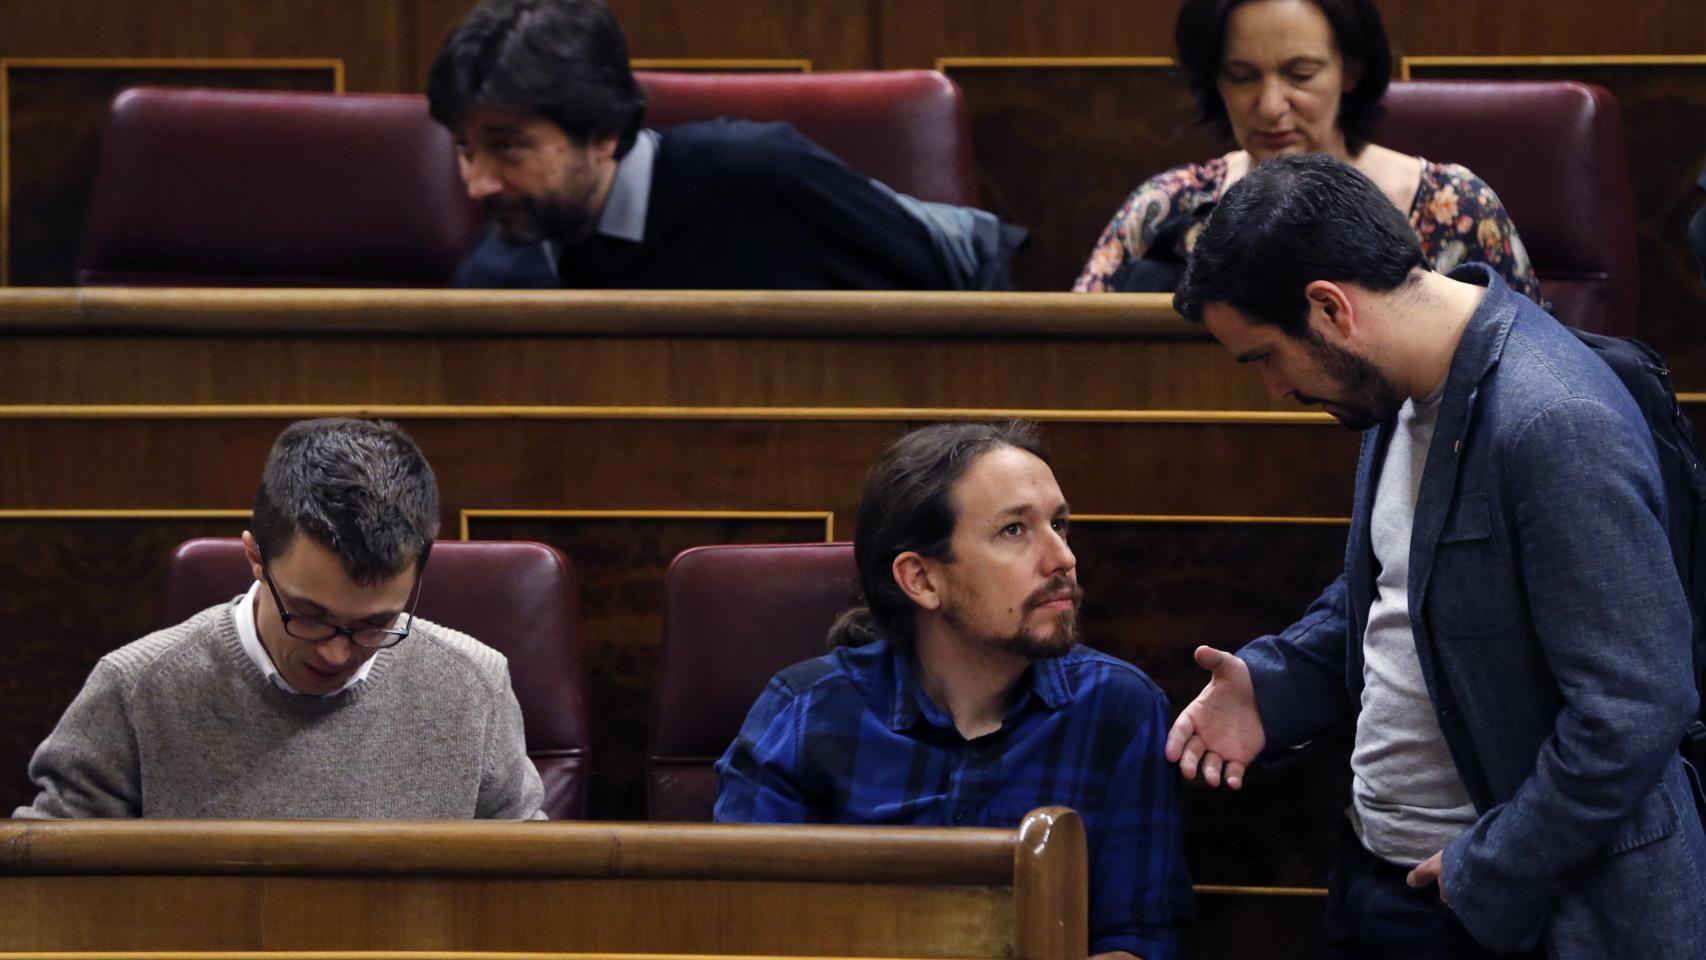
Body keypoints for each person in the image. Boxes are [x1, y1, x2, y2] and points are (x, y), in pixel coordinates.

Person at [1167, 153, 1706, 958]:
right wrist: (1273, 685)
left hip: (1521, 909)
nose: (1274, 389)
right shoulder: (1398, 389)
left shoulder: (1554, 420)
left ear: (1329, 308)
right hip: (1379, 872)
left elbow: (1634, 710)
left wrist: (1488, 869)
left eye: (1264, 357)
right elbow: (1403, 587)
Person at [714, 421, 1189, 960]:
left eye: (1060, 525)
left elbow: (1136, 939)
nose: (1062, 559)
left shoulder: (1120, 707)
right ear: (921, 580)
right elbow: (741, 929)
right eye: (1014, 531)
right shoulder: (803, 714)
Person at [12, 418, 544, 820]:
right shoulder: (134, 690)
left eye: (374, 625)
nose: (336, 652)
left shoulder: (476, 686)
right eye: (309, 616)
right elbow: (57, 894)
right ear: (254, 558)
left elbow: (522, 893)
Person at [427, 0, 1023, 291]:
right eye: (463, 148)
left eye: (508, 149)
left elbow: (947, 286)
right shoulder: (501, 262)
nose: (478, 183)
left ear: (603, 133)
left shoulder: (757, 174)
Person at [1073, 0, 1540, 302]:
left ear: (1350, 72)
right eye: (1242, 76)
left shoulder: (1455, 205)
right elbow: (1074, 343)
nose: (1271, 106)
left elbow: (1537, 369)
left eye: (1300, 74)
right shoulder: (1166, 206)